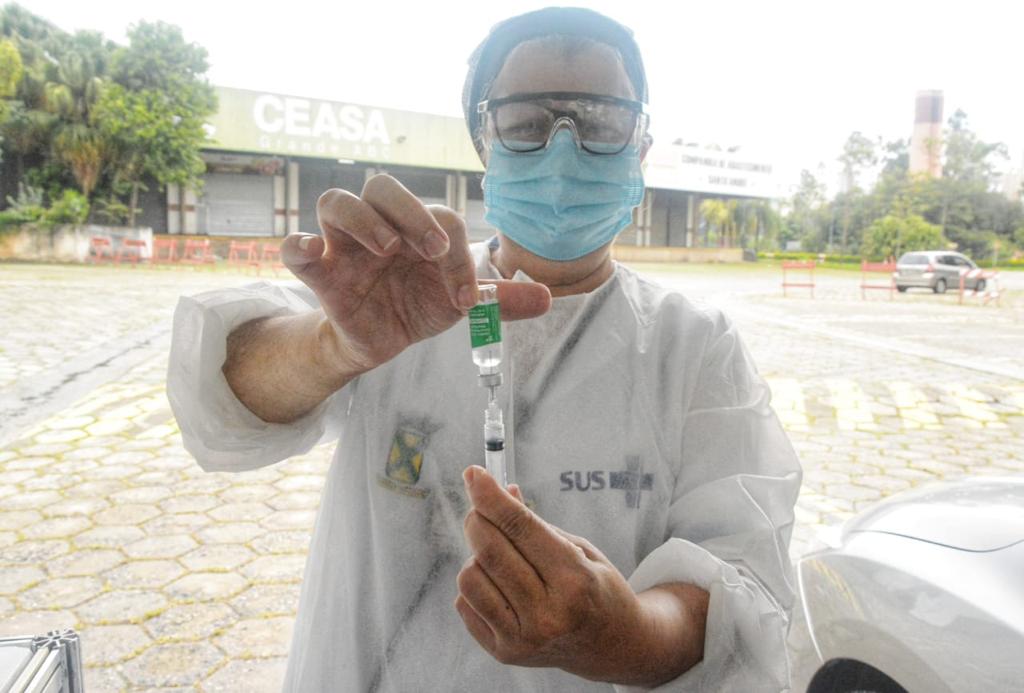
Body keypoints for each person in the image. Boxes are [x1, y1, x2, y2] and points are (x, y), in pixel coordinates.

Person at [168, 7, 802, 691]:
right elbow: (221, 401)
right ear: (483, 144)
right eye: (527, 124)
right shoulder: (394, 283)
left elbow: (741, 580)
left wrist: (621, 635)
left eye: (601, 121)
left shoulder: (695, 345)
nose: (564, 152)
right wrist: (332, 346)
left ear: (640, 148)